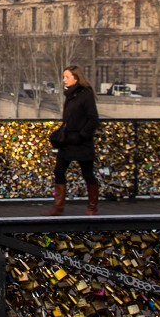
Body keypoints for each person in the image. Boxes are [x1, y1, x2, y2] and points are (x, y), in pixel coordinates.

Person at [48, 65, 100, 215]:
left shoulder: (86, 94)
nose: (64, 80)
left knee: (88, 173)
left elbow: (93, 119)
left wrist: (82, 135)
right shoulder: (70, 95)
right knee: (59, 171)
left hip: (81, 142)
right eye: (64, 77)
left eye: (67, 77)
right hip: (68, 141)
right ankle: (58, 207)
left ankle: (92, 206)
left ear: (76, 78)